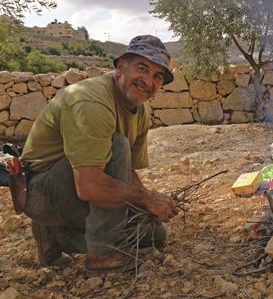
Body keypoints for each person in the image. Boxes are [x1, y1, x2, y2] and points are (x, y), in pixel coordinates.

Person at [19, 35, 179, 273]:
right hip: (41, 192)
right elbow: (90, 186)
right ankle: (101, 255)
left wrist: (146, 208)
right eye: (142, 68)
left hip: (76, 187)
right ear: (120, 67)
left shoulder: (140, 111)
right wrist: (147, 199)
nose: (148, 81)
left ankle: (56, 235)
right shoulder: (90, 101)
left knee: (153, 234)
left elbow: (128, 171)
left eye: (157, 76)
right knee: (117, 144)